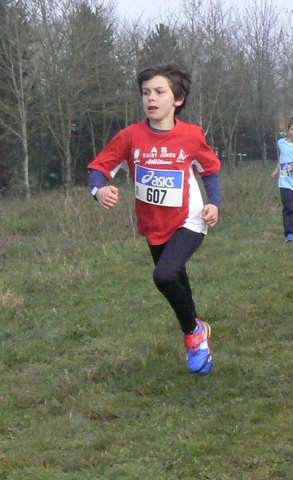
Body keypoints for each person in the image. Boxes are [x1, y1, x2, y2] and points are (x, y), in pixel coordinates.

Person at [88, 64, 221, 376]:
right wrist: (99, 190)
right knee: (176, 280)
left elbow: (210, 169)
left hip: (190, 220)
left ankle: (193, 335)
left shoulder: (191, 135)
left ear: (177, 99)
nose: (151, 98)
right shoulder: (130, 136)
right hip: (154, 226)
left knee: (163, 276)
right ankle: (198, 333)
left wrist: (214, 203)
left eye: (160, 92)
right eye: (146, 92)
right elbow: (99, 168)